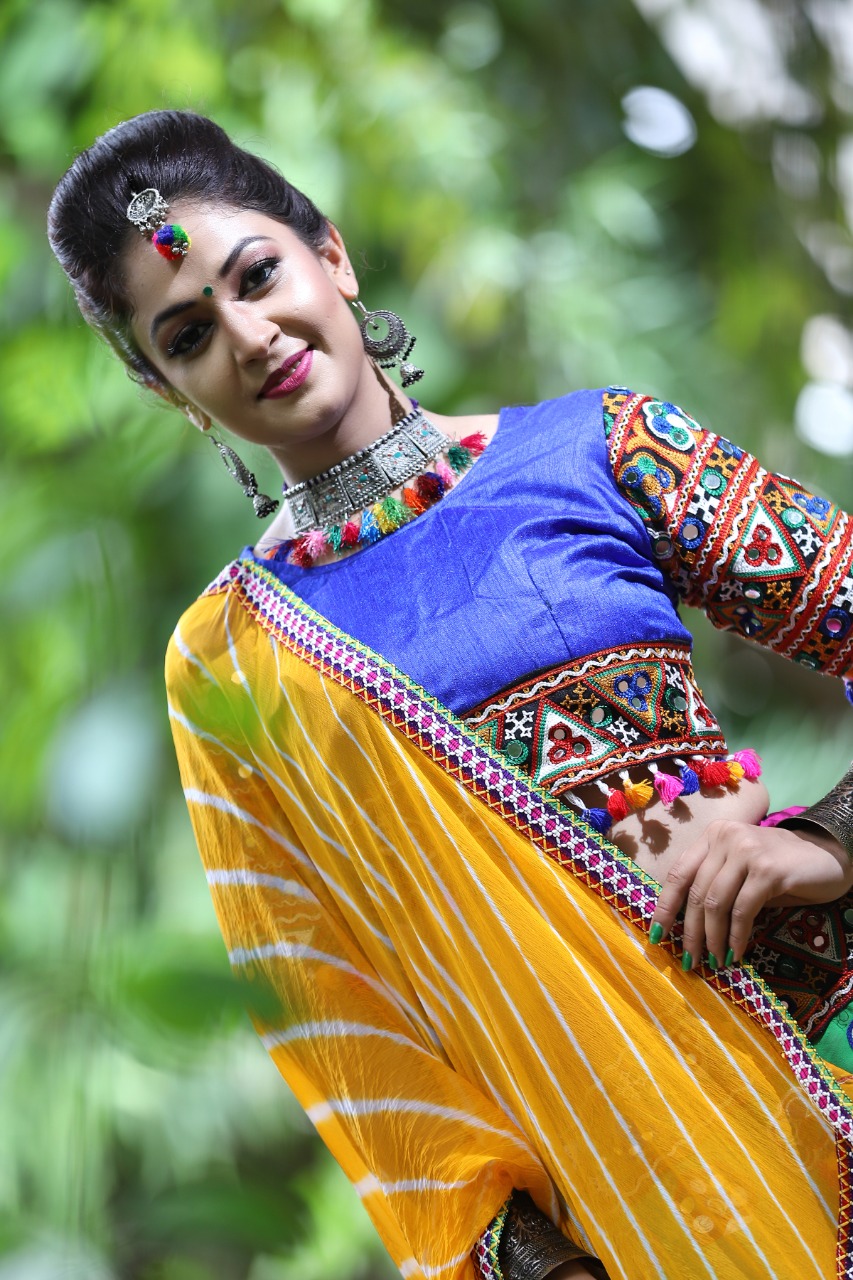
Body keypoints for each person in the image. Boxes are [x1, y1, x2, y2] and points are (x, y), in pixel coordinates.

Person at [47, 109, 853, 1280]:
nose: (251, 334)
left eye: (258, 274)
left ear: (331, 255)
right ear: (173, 390)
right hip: (636, 1205)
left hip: (825, 1032)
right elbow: (335, 1017)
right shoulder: (227, 662)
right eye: (189, 333)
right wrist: (534, 1262)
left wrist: (827, 840)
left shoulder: (606, 448)